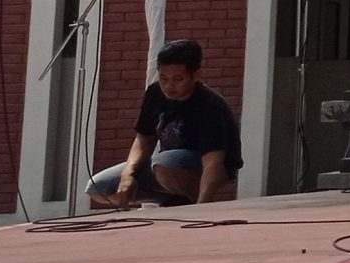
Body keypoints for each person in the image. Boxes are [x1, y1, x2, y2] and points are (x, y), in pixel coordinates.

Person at [87, 39, 240, 208]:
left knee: (164, 164)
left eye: (178, 79)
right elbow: (144, 139)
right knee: (98, 188)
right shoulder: (154, 93)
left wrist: (203, 205)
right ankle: (172, 201)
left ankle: (197, 201)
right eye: (163, 78)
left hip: (202, 165)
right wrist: (127, 175)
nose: (169, 86)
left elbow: (213, 161)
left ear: (196, 75)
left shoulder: (210, 104)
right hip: (162, 165)